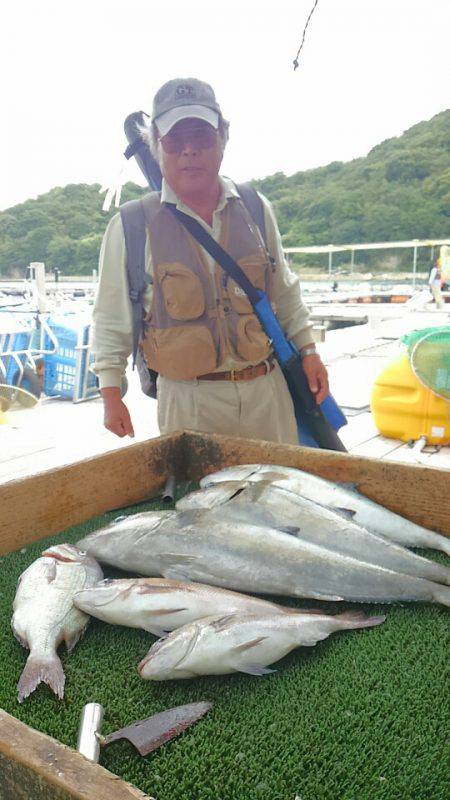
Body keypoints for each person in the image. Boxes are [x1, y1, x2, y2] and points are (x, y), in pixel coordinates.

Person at [92, 77, 329, 445]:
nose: (189, 150)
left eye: (201, 137)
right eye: (175, 140)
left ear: (222, 140)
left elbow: (284, 290)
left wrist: (309, 350)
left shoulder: (256, 208)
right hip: (188, 401)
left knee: (278, 494)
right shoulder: (130, 225)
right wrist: (110, 394)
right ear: (157, 146)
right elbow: (111, 316)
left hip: (266, 392)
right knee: (200, 500)